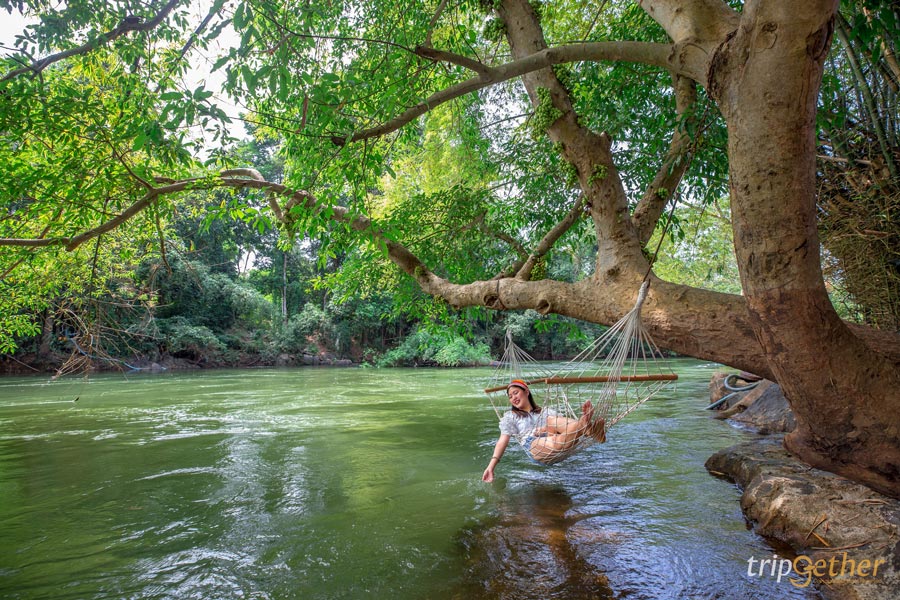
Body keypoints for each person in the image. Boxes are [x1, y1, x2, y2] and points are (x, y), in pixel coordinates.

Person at [482, 379, 606, 482]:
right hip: (534, 444)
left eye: (515, 393)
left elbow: (563, 427)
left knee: (551, 419)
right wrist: (491, 466)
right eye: (510, 396)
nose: (513, 398)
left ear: (526, 392)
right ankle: (586, 428)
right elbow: (502, 441)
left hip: (559, 438)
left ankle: (586, 428)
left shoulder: (546, 411)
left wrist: (545, 429)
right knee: (557, 437)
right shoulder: (511, 416)